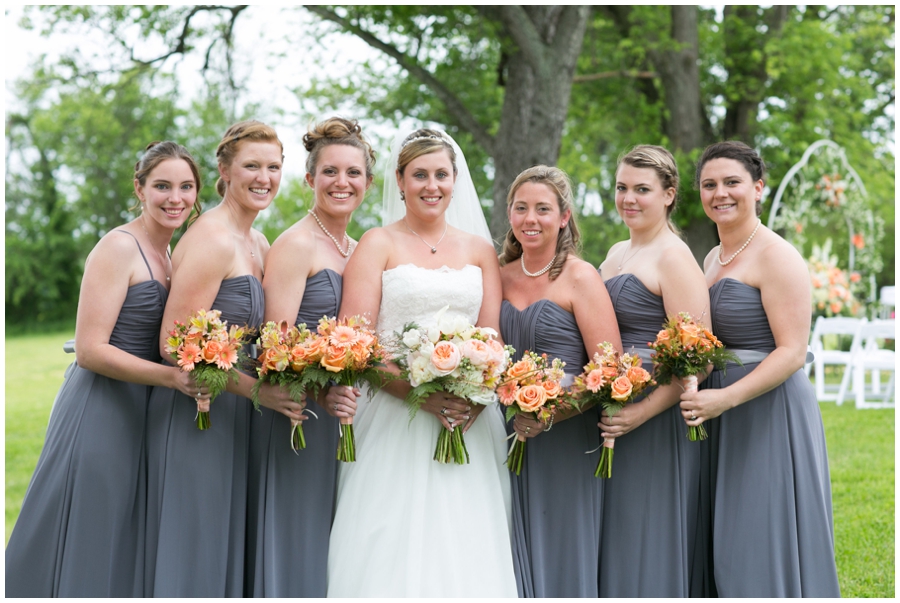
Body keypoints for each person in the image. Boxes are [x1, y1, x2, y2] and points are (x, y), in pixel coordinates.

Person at [6, 142, 203, 597]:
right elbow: (89, 350)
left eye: (186, 186)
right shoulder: (118, 246)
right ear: (139, 188)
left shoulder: (171, 254)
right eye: (162, 186)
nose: (176, 198)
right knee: (86, 528)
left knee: (121, 532)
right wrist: (173, 378)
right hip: (101, 408)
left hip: (143, 412)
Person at [326, 128, 517, 597]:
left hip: (468, 420)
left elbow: (494, 339)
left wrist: (476, 392)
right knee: (387, 538)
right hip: (395, 414)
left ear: (455, 180)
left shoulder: (479, 250)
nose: (431, 186)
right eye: (420, 176)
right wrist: (421, 396)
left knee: (464, 541)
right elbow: (358, 343)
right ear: (400, 180)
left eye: (441, 175)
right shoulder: (377, 244)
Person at [679, 141, 840, 597]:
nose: (720, 193)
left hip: (767, 409)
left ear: (759, 188)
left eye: (732, 182)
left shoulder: (777, 256)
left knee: (756, 532)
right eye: (709, 184)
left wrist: (723, 398)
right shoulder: (713, 257)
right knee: (725, 529)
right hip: (720, 411)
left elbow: (792, 351)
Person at [144, 121, 295, 597]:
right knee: (196, 548)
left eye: (273, 167)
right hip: (198, 413)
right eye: (251, 165)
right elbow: (172, 343)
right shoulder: (212, 239)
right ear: (225, 171)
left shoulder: (260, 242)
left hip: (238, 416)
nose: (263, 177)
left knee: (226, 548)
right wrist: (258, 393)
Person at [246, 117, 375, 597]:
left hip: (347, 416)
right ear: (309, 179)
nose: (342, 183)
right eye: (330, 172)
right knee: (298, 533)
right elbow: (272, 346)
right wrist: (321, 393)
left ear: (367, 182)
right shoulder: (296, 244)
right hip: (299, 413)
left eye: (353, 173)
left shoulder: (359, 248)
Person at [498, 165, 621, 597]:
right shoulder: (499, 275)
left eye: (543, 209)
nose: (531, 219)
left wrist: (550, 412)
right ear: (509, 214)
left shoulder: (580, 276)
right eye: (521, 208)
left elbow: (609, 366)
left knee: (562, 544)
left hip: (567, 433)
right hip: (504, 430)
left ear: (564, 217)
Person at [596, 145, 710, 596]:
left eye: (642, 189)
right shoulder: (616, 251)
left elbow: (696, 356)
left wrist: (640, 414)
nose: (629, 198)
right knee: (619, 531)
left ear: (668, 195)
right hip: (614, 406)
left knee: (648, 534)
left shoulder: (673, 257)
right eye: (623, 188)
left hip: (655, 419)